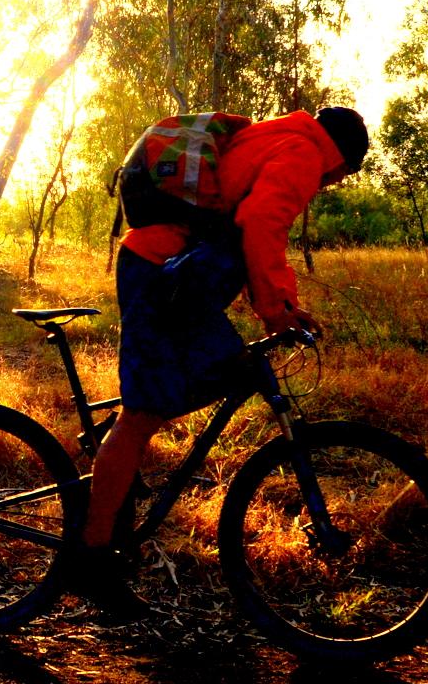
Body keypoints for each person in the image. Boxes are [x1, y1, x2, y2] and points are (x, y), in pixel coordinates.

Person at [74, 106, 369, 620]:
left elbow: (235, 221)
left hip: (169, 273)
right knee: (142, 417)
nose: (327, 186)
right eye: (337, 178)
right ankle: (93, 560)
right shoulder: (303, 152)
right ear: (341, 158)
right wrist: (276, 309)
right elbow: (260, 223)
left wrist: (277, 303)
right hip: (160, 273)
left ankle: (116, 483)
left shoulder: (275, 135)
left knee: (218, 374)